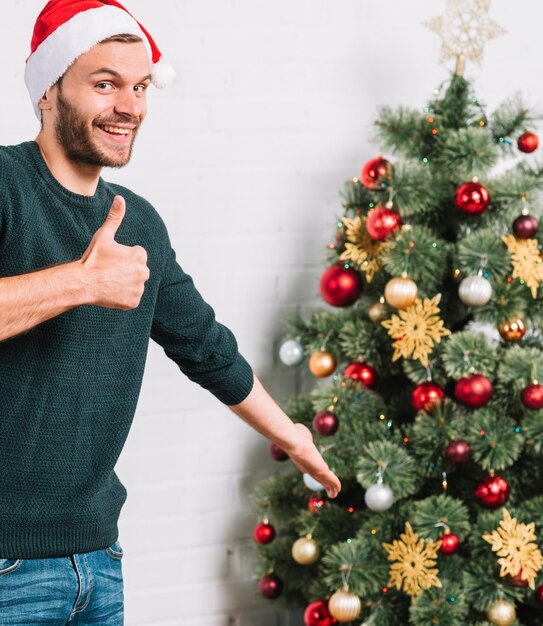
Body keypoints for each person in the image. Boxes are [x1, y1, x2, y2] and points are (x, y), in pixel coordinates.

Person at [0, 0, 341, 623]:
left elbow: (205, 346)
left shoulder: (138, 223)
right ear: (48, 90)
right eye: (105, 84)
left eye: (140, 86)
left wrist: (291, 435)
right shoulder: (3, 185)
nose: (129, 106)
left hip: (98, 559)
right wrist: (81, 282)